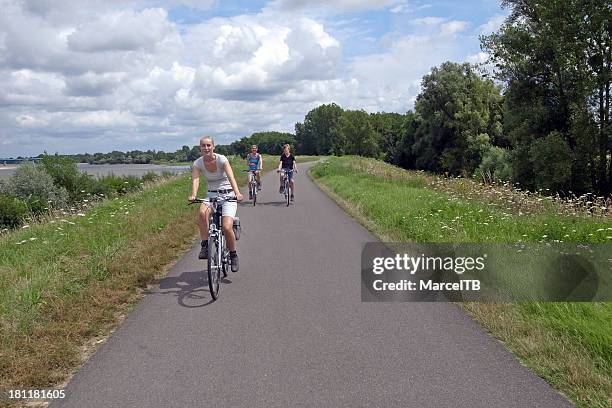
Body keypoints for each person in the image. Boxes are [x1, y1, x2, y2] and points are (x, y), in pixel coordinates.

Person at [189, 136, 243, 272]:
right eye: (203, 146)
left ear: (213, 146)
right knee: (202, 213)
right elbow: (196, 179)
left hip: (228, 194)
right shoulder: (198, 163)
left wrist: (237, 193)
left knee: (226, 227)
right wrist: (194, 194)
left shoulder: (221, 159)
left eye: (208, 145)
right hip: (212, 195)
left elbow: (231, 176)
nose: (206, 148)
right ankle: (205, 244)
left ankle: (233, 254)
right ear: (200, 147)